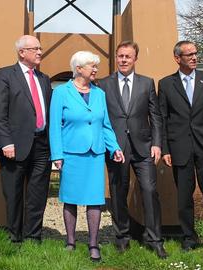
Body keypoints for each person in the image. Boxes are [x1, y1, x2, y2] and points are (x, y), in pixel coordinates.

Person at [49, 51, 125, 262]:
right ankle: (71, 242)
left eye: (96, 66)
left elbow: (105, 125)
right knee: (70, 199)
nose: (95, 70)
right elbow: (54, 126)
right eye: (92, 66)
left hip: (95, 154)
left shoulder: (99, 93)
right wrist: (57, 154)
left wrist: (115, 148)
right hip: (71, 154)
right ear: (79, 68)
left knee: (94, 200)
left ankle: (93, 243)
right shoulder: (61, 92)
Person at [158, 40, 203, 262]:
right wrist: (166, 148)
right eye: (189, 54)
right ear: (177, 58)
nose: (195, 57)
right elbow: (163, 119)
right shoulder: (166, 84)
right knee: (184, 198)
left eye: (196, 53)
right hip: (180, 149)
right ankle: (189, 238)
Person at [98, 41, 167, 258]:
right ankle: (122, 238)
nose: (124, 60)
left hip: (144, 147)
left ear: (135, 59)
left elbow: (155, 116)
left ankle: (155, 239)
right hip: (116, 148)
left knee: (149, 190)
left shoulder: (147, 83)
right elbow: (100, 117)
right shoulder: (103, 84)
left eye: (128, 56)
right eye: (120, 56)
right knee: (119, 193)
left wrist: (157, 143)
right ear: (116, 58)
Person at [0, 35, 52, 244]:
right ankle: (14, 237)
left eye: (40, 48)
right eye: (34, 48)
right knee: (14, 193)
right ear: (21, 52)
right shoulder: (5, 75)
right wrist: (5, 142)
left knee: (38, 193)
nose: (39, 52)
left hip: (42, 145)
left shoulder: (44, 79)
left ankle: (33, 236)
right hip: (15, 145)